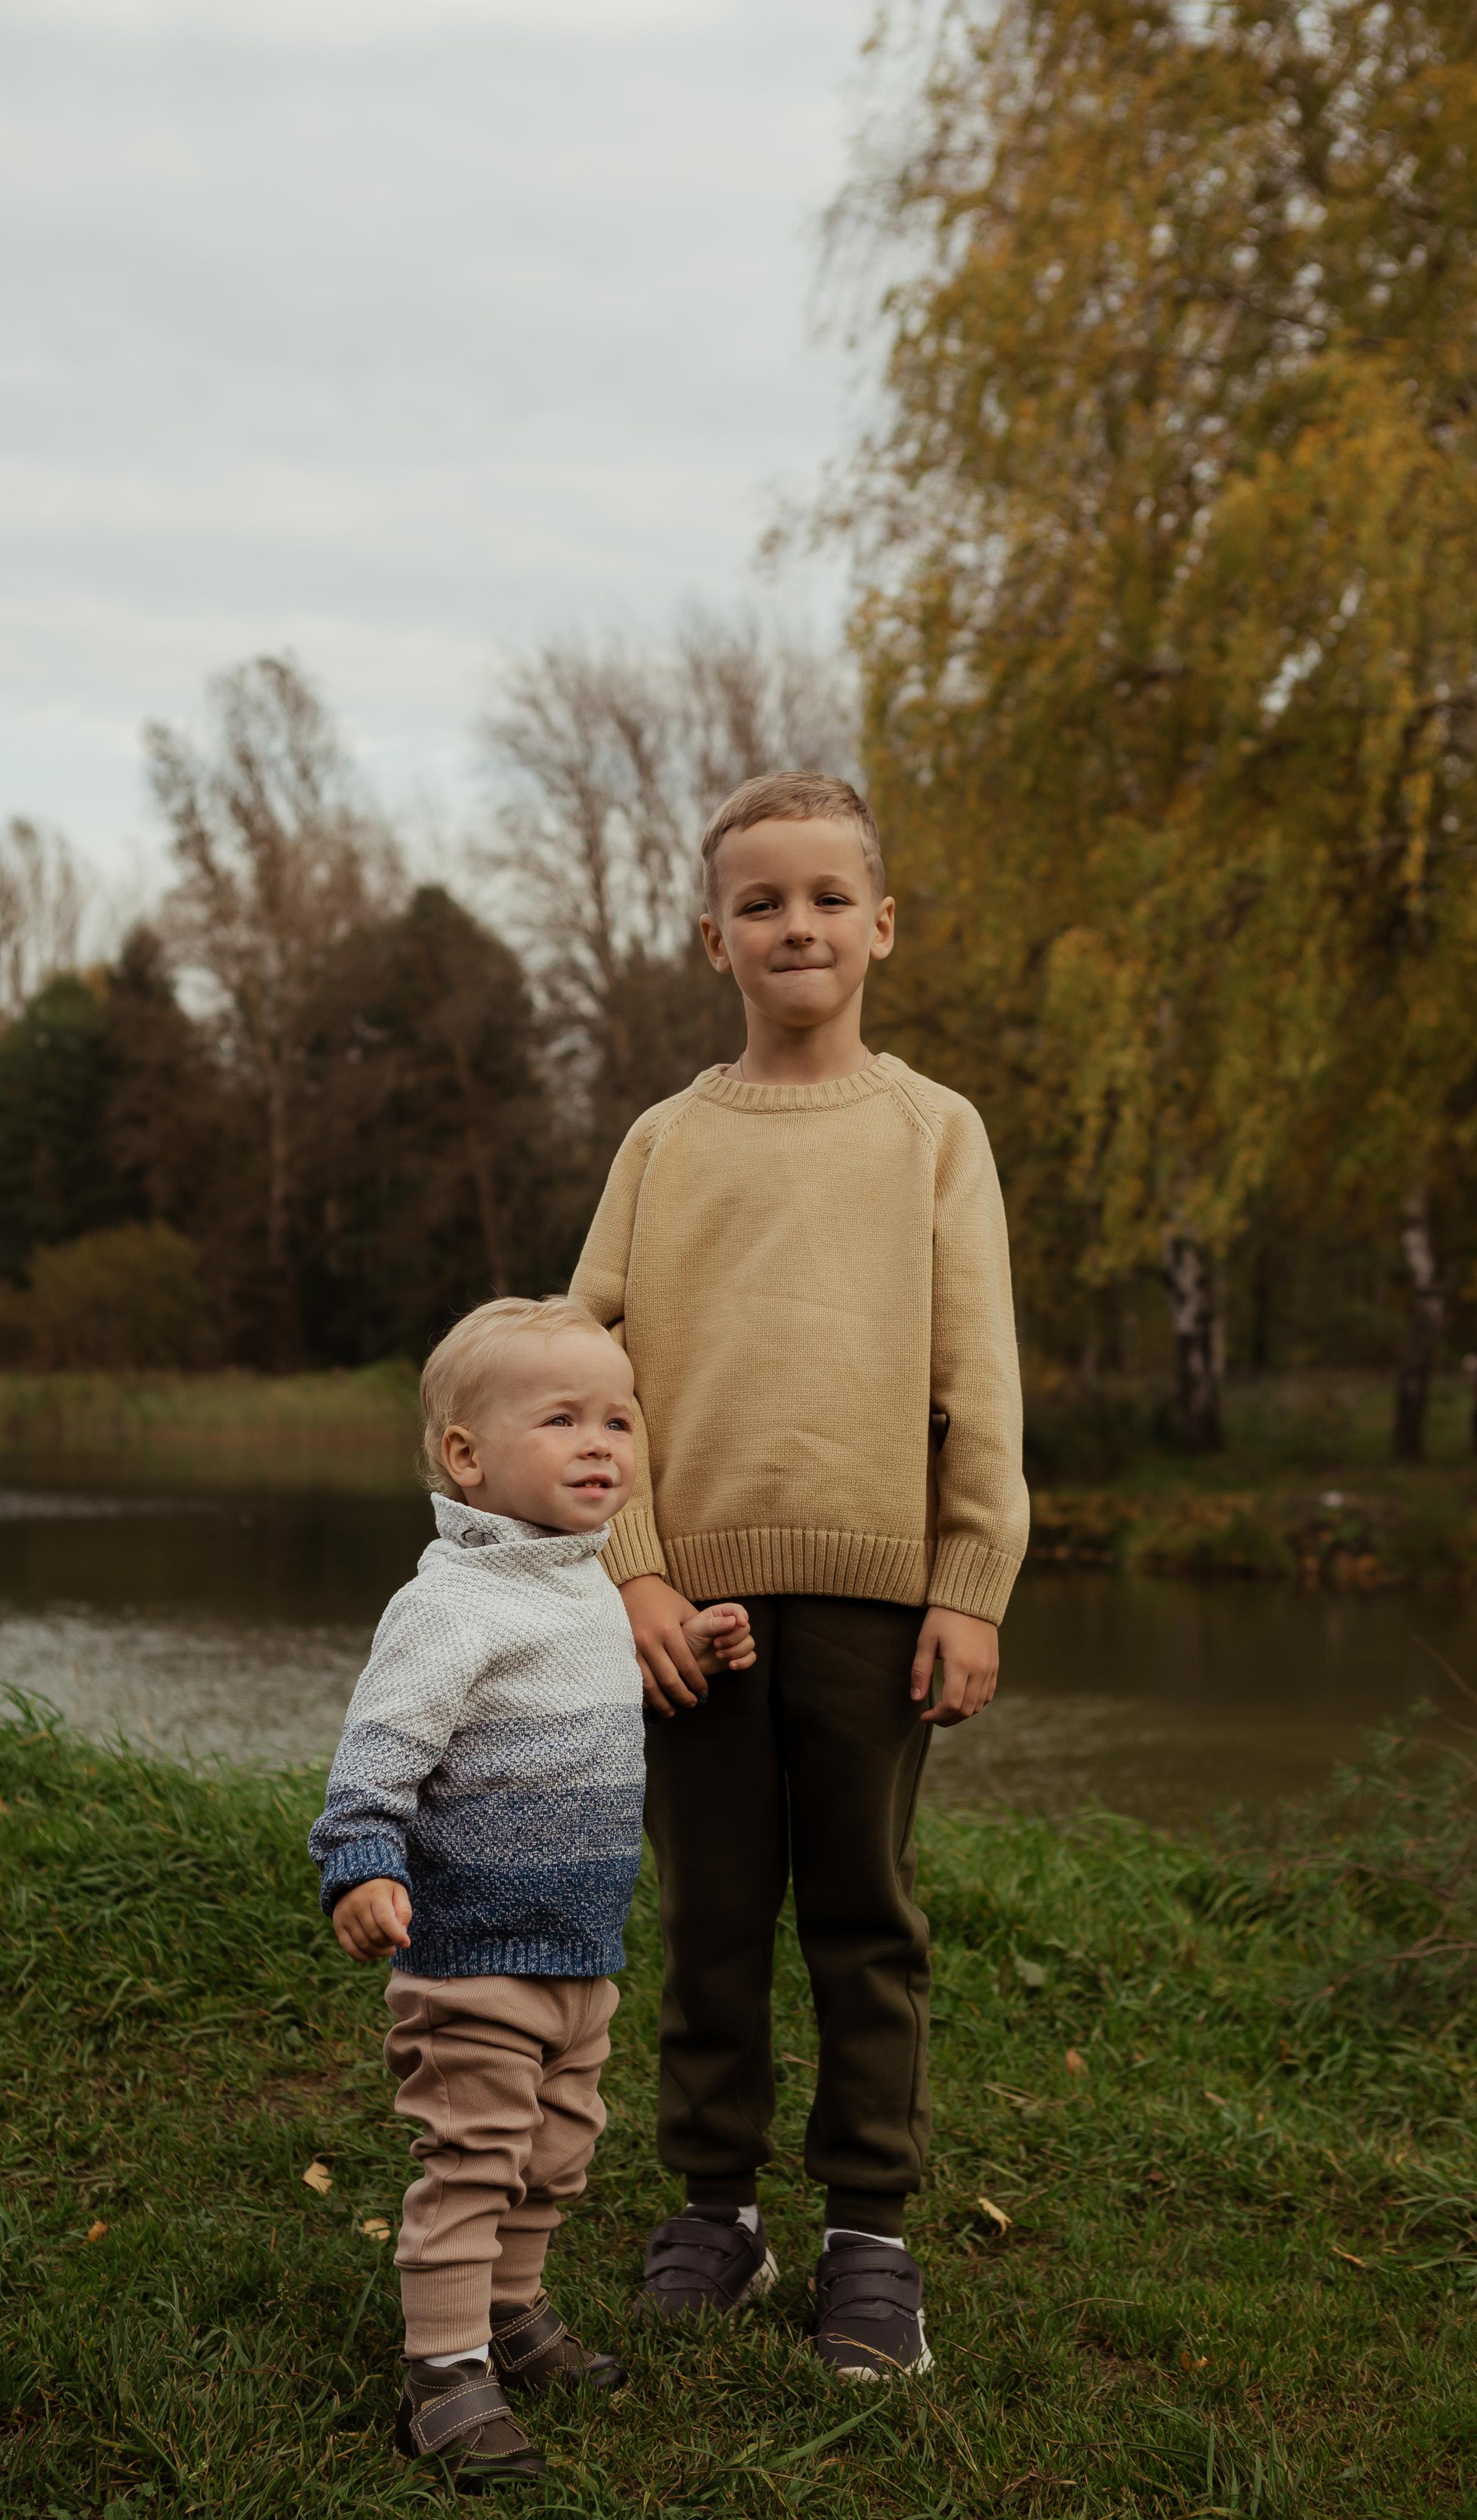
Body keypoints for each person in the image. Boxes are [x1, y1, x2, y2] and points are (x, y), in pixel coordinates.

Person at [569, 772, 1028, 2382]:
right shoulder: (662, 1141)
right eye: (760, 903)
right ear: (713, 937)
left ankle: (868, 2241)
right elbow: (583, 1369)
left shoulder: (929, 1134)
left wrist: (967, 1579)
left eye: (827, 897)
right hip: (686, 1607)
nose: (796, 925)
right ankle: (714, 2211)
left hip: (876, 1601)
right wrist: (627, 1570)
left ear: (880, 926)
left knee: (860, 1914)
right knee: (705, 1913)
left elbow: (980, 1373)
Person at [308, 1295, 753, 2488]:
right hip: (473, 1955)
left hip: (578, 1955)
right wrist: (361, 1867)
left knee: (554, 2157)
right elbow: (375, 1763)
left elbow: (600, 1702)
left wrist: (697, 1650)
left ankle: (512, 2312)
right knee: (473, 2158)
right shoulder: (448, 1607)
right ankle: (443, 2373)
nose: (603, 1443)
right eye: (562, 1420)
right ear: (469, 1455)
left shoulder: (585, 1587)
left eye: (619, 1419)